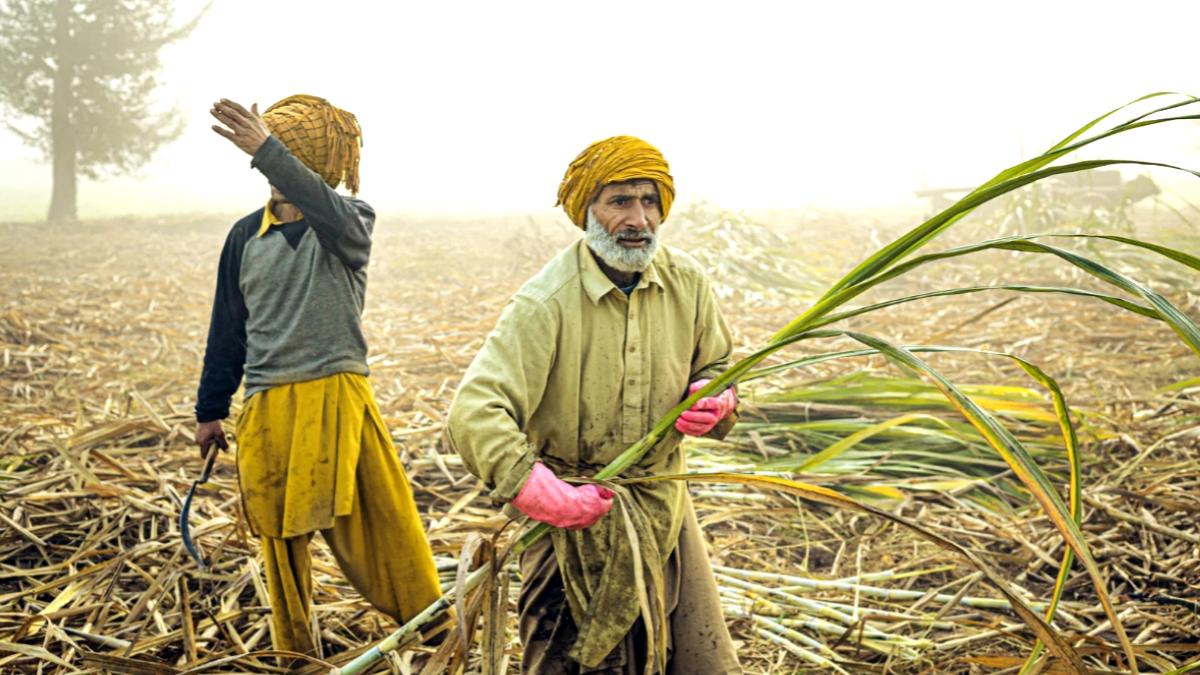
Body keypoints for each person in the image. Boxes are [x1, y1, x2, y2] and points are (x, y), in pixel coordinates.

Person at [446, 135, 742, 674]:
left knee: (683, 655)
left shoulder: (687, 283)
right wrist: (535, 488)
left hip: (660, 506)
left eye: (649, 201)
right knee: (569, 659)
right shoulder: (546, 303)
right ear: (586, 211)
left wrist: (715, 396)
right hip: (570, 525)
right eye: (619, 202)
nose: (638, 220)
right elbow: (474, 409)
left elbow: (719, 363)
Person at [194, 95, 442, 657]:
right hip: (267, 404)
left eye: (285, 156)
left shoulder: (348, 224)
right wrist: (210, 410)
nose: (271, 169)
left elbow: (328, 211)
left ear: (315, 165)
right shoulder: (244, 236)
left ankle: (435, 631)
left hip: (337, 394)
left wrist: (267, 148)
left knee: (384, 522)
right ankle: (297, 655)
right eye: (269, 154)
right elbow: (227, 327)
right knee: (279, 538)